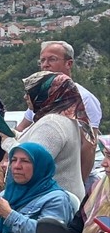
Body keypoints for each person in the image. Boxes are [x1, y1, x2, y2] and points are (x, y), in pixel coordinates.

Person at [15, 71, 96, 200]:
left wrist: (8, 142)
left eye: (30, 92)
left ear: (45, 94)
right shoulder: (64, 117)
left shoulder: (51, 124)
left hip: (49, 204)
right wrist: (14, 136)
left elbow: (30, 163)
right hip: (55, 200)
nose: (25, 97)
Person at [16, 40, 102, 133]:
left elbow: (90, 144)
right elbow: (20, 129)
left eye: (52, 59)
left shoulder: (85, 98)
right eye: (42, 60)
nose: (45, 65)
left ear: (68, 64)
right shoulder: (40, 97)